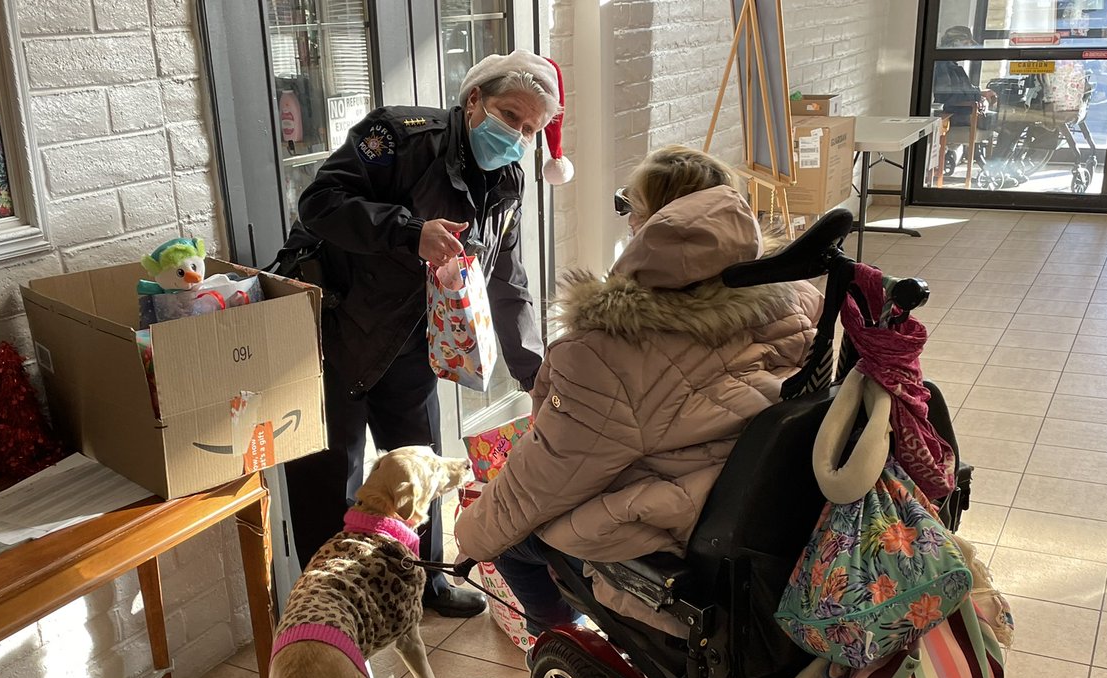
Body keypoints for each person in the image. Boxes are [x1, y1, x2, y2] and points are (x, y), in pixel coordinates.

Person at [453, 147, 824, 637]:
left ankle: (562, 643)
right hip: (770, 502)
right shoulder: (797, 295)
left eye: (631, 206)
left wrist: (470, 538)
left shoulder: (608, 349)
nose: (628, 220)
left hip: (678, 518)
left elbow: (540, 480)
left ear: (660, 225)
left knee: (511, 543)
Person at [276, 50, 573, 618]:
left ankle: (429, 584)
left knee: (424, 469)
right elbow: (319, 203)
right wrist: (409, 232)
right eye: (511, 118)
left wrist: (536, 370)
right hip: (334, 337)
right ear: (473, 101)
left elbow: (507, 280)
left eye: (531, 130)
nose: (517, 137)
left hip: (415, 345)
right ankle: (326, 607)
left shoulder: (508, 179)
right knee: (328, 482)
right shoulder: (398, 136)